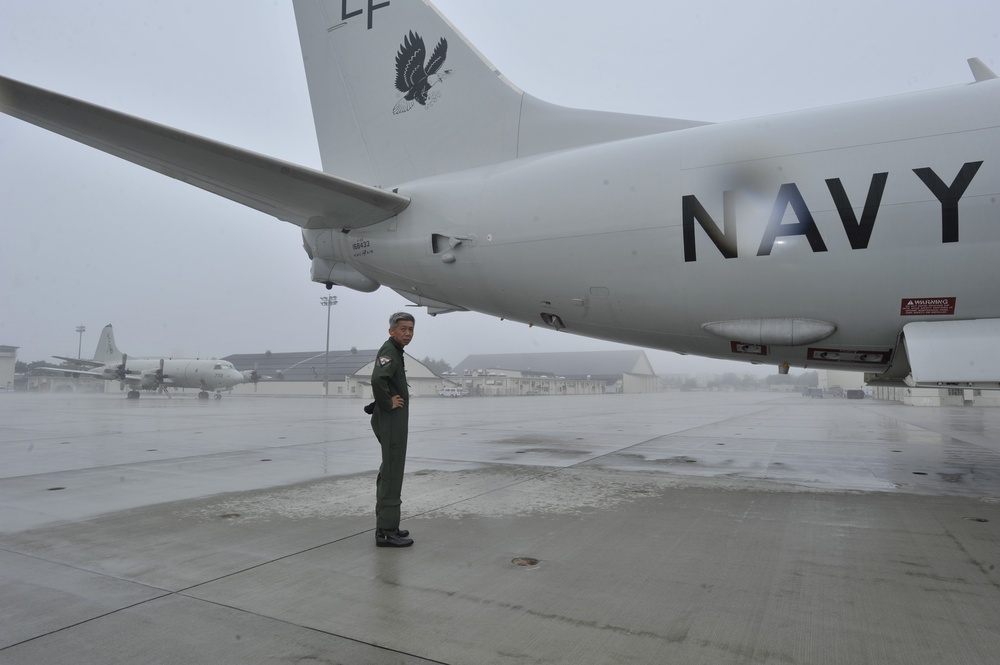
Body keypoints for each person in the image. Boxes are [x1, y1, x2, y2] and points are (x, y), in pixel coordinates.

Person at [369, 312, 416, 548]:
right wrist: (388, 402)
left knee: (393, 468)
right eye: (403, 329)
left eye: (410, 329)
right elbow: (378, 379)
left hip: (393, 419)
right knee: (392, 470)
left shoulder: (396, 351)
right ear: (392, 331)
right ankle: (386, 532)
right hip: (390, 419)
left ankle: (389, 525)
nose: (407, 334)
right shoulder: (389, 351)